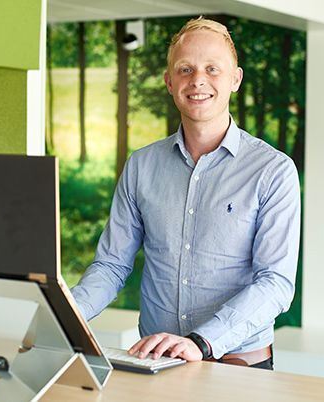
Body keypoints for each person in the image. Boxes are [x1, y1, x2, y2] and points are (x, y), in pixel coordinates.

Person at [70, 17, 301, 370]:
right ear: (169, 81)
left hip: (238, 367)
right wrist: (66, 316)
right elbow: (112, 265)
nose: (198, 81)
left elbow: (275, 283)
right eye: (185, 69)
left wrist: (200, 343)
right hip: (156, 365)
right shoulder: (141, 166)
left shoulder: (273, 171)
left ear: (235, 79)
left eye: (213, 69)